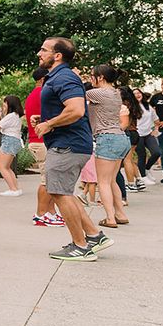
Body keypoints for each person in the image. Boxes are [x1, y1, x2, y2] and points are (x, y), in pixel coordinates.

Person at [31, 37, 114, 261]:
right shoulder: (57, 77)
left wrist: (49, 124)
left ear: (57, 56)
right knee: (64, 192)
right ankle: (95, 236)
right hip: (68, 143)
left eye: (43, 50)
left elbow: (76, 110)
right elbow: (68, 109)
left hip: (67, 144)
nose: (39, 53)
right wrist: (47, 118)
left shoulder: (64, 76)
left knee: (58, 193)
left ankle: (80, 246)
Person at [86, 65, 132, 229]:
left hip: (107, 138)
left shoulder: (97, 93)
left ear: (101, 77)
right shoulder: (116, 93)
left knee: (103, 182)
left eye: (92, 76)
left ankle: (110, 218)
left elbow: (78, 91)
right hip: (120, 138)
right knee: (111, 180)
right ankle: (120, 214)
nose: (90, 79)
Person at [25, 67, 63, 226]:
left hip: (38, 141)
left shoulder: (34, 95)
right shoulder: (43, 94)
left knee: (50, 180)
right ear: (43, 79)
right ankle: (41, 214)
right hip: (41, 142)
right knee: (46, 180)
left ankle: (51, 212)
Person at [0, 96, 25, 197]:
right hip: (14, 140)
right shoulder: (16, 115)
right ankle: (15, 188)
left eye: (5, 103)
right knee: (7, 167)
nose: (4, 105)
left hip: (9, 140)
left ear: (10, 104)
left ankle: (13, 189)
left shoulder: (11, 115)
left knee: (1, 166)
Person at [134, 89, 161, 183]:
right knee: (142, 155)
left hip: (148, 134)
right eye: (134, 94)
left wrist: (155, 130)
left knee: (157, 152)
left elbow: (157, 121)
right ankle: (143, 176)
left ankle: (147, 168)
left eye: (138, 93)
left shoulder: (148, 107)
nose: (137, 95)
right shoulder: (131, 107)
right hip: (138, 135)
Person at [121, 87, 145, 192]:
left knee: (127, 161)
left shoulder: (124, 105)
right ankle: (139, 180)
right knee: (130, 160)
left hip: (128, 133)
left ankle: (131, 184)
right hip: (135, 133)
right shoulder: (134, 104)